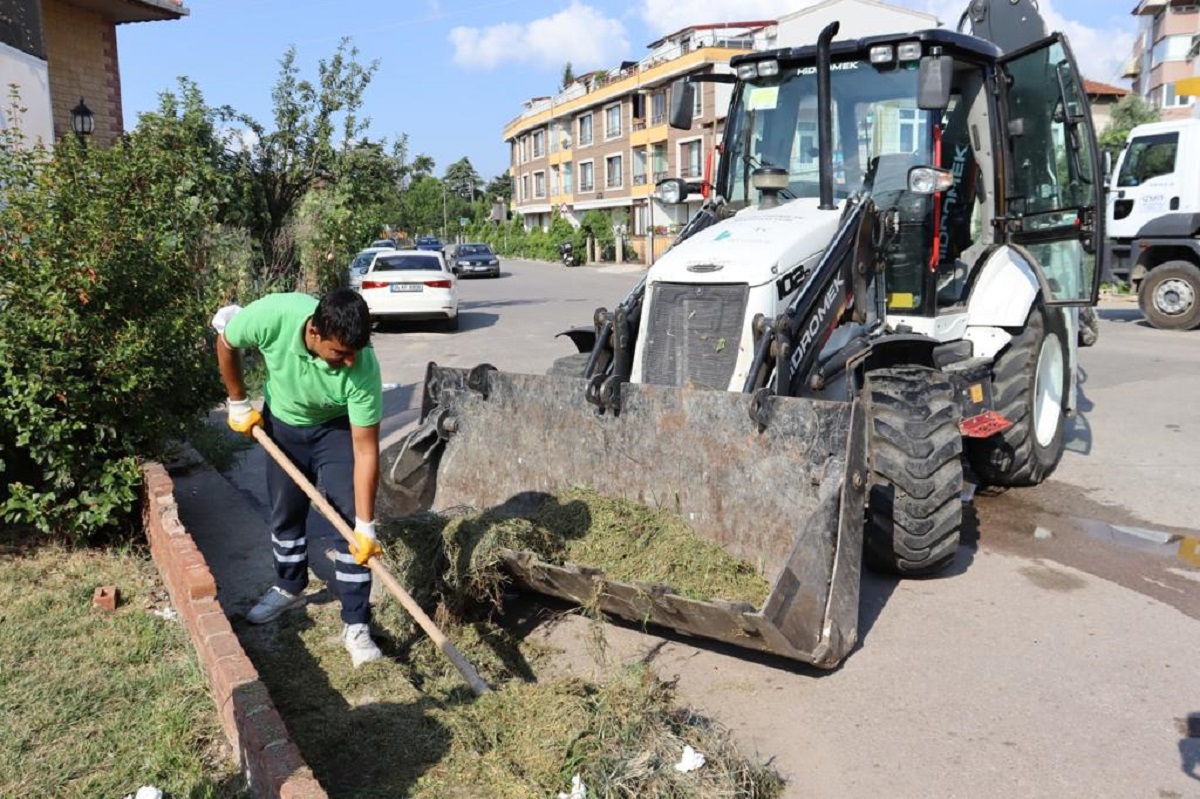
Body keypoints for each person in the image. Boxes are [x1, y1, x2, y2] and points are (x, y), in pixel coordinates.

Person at [211, 289, 385, 667]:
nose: (349, 360)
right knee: (286, 511)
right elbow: (225, 341)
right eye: (340, 353)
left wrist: (367, 526)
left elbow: (366, 450)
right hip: (284, 424)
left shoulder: (362, 366)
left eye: (354, 351)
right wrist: (238, 400)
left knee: (348, 521)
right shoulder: (273, 315)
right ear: (315, 334)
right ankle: (289, 586)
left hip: (335, 429)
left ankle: (356, 623)